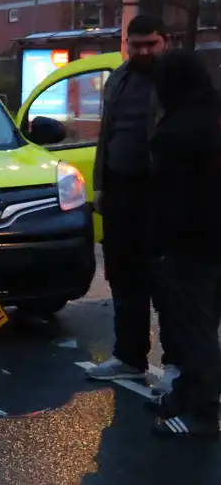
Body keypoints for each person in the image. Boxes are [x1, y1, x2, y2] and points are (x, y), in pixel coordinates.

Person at [84, 14, 181, 389]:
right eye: (135, 44)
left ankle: (176, 366)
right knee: (125, 278)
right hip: (122, 193)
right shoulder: (119, 79)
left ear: (165, 41)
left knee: (169, 285)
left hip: (160, 194)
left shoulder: (176, 81)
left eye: (150, 44)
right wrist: (101, 186)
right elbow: (106, 136)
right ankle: (128, 356)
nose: (142, 51)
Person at [145, 49, 221, 437]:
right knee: (203, 323)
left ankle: (203, 412)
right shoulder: (211, 115)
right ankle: (188, 395)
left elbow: (171, 199)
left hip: (190, 244)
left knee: (194, 329)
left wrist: (159, 243)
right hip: (211, 240)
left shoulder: (178, 132)